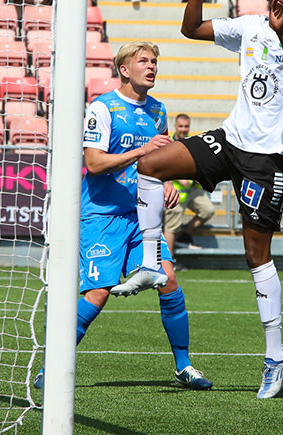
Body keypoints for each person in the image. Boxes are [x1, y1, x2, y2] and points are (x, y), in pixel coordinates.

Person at [114, 0, 283, 400]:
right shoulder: (248, 26)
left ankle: (275, 356)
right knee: (151, 164)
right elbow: (191, 28)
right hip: (231, 139)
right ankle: (150, 262)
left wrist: (282, 32)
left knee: (256, 255)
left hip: (266, 157)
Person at [32, 41, 212, 393]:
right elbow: (94, 163)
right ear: (124, 70)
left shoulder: (158, 110)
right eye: (143, 61)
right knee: (98, 294)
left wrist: (167, 182)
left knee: (168, 279)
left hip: (141, 217)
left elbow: (160, 158)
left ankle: (184, 366)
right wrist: (140, 150)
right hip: (102, 217)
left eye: (154, 61)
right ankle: (50, 367)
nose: (152, 66)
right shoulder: (103, 108)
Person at [163, 114, 216, 258]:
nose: (183, 129)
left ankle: (183, 236)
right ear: (175, 126)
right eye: (181, 126)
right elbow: (163, 166)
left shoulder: (192, 142)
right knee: (171, 227)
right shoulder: (168, 143)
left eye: (186, 126)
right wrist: (180, 177)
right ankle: (169, 262)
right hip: (174, 191)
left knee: (208, 210)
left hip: (191, 189)